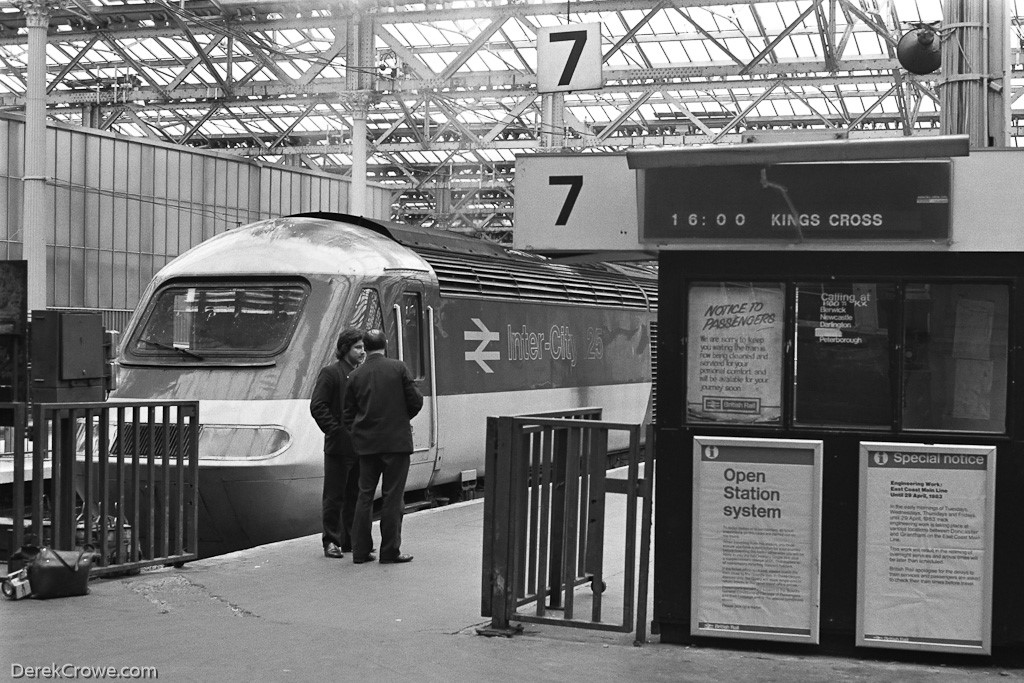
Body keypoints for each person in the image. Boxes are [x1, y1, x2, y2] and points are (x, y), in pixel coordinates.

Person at [343, 329, 423, 564]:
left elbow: (347, 415)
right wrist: (400, 419)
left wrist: (360, 431)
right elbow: (416, 401)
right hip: (396, 444)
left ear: (365, 347)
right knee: (392, 497)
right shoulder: (398, 368)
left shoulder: (355, 376)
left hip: (367, 447)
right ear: (385, 344)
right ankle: (389, 551)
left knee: (364, 496)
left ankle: (360, 552)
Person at [309, 329, 366, 558]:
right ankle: (330, 541)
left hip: (361, 446)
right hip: (339, 447)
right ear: (345, 349)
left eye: (363, 347)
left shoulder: (361, 373)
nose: (362, 352)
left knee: (355, 495)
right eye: (358, 348)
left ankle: (350, 540)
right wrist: (336, 430)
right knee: (334, 496)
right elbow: (318, 405)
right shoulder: (330, 373)